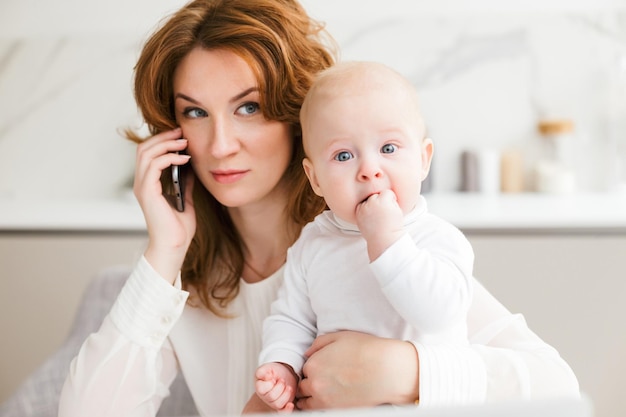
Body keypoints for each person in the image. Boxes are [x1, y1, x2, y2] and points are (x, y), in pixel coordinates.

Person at [58, 0, 580, 416]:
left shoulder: (378, 244)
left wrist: (407, 373)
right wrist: (165, 250)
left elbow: (558, 390)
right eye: (195, 112)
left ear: (299, 117)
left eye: (249, 107)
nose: (219, 145)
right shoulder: (186, 284)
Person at [254, 61, 475, 412]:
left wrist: (387, 241)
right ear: (315, 179)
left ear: (423, 159)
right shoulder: (313, 245)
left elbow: (439, 316)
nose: (369, 170)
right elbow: (290, 320)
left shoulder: (437, 238)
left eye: (388, 148)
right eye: (343, 155)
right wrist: (282, 365)